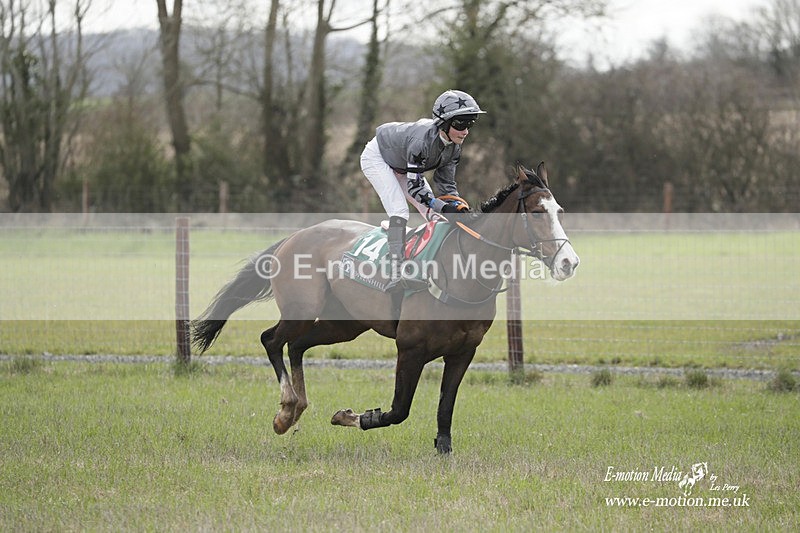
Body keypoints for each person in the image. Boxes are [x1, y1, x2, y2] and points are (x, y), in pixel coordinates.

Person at [360, 89, 486, 291]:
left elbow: (447, 185)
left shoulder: (455, 146)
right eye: (461, 124)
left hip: (403, 165)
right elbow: (416, 187)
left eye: (470, 124)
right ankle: (395, 272)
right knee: (400, 210)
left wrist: (456, 206)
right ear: (444, 124)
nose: (466, 131)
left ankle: (435, 264)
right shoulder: (422, 143)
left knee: (435, 216)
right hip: (378, 158)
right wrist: (443, 207)